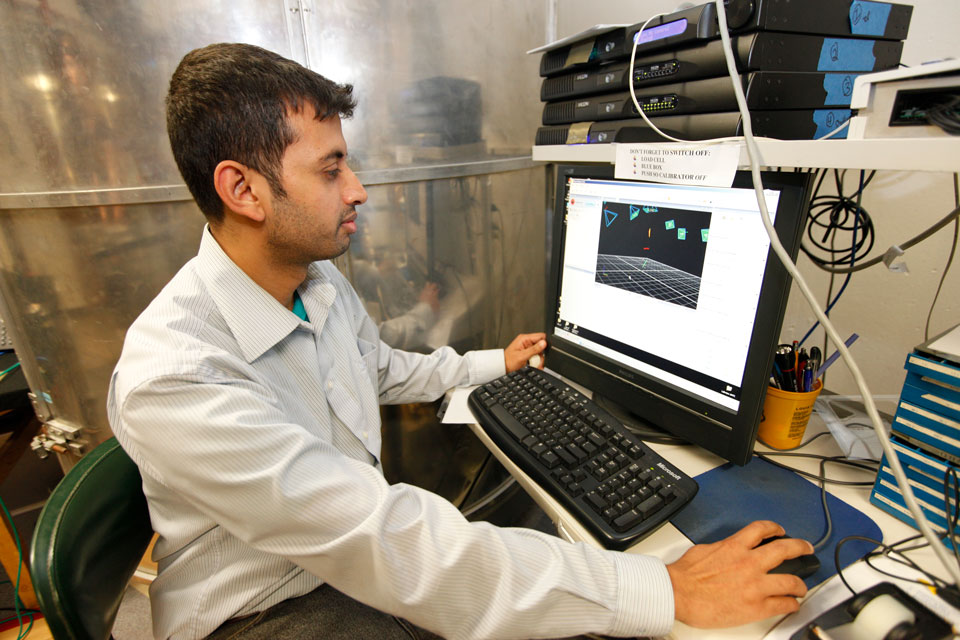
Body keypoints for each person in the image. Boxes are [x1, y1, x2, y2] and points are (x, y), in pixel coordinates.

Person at [107, 43, 813, 640]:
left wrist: (489, 364)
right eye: (330, 169)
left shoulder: (313, 284)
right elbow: (384, 540)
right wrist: (662, 591)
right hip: (264, 612)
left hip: (338, 558)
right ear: (244, 190)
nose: (357, 190)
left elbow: (378, 367)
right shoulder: (179, 375)